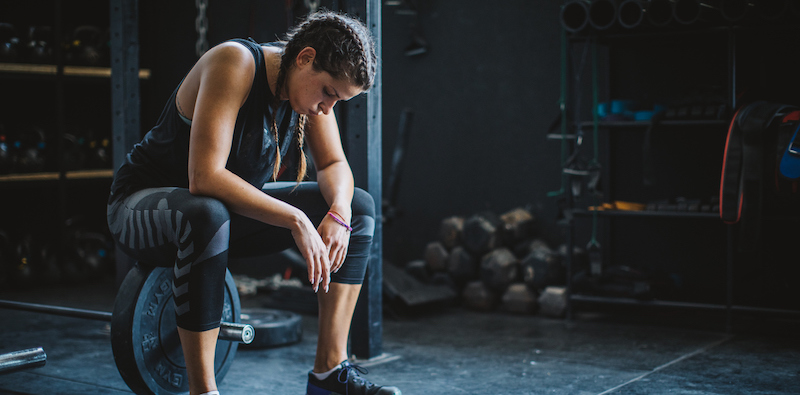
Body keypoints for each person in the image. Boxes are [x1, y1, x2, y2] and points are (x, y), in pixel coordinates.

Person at [106, 10, 401, 395]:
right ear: (305, 57)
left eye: (338, 101)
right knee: (206, 212)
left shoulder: (307, 95)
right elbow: (205, 177)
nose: (327, 108)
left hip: (218, 218)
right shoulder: (236, 62)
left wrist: (339, 213)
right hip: (139, 208)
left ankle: (329, 372)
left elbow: (333, 164)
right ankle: (203, 391)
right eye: (329, 93)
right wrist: (297, 219)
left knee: (359, 208)